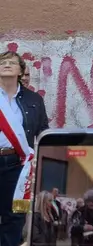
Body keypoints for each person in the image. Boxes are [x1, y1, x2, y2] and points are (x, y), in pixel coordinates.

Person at [0, 51, 49, 246]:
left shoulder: (34, 100)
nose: (6, 65)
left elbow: (43, 132)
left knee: (15, 214)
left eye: (12, 63)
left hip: (18, 165)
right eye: (2, 62)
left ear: (21, 71)